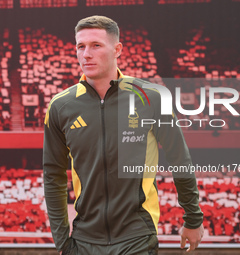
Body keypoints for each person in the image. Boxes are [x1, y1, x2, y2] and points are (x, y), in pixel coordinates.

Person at [43, 15, 204, 255]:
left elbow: (179, 159)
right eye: (80, 46)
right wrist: (62, 241)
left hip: (137, 236)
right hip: (84, 240)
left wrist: (193, 219)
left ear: (117, 49)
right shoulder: (60, 106)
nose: (86, 54)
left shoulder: (152, 97)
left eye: (96, 45)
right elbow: (53, 174)